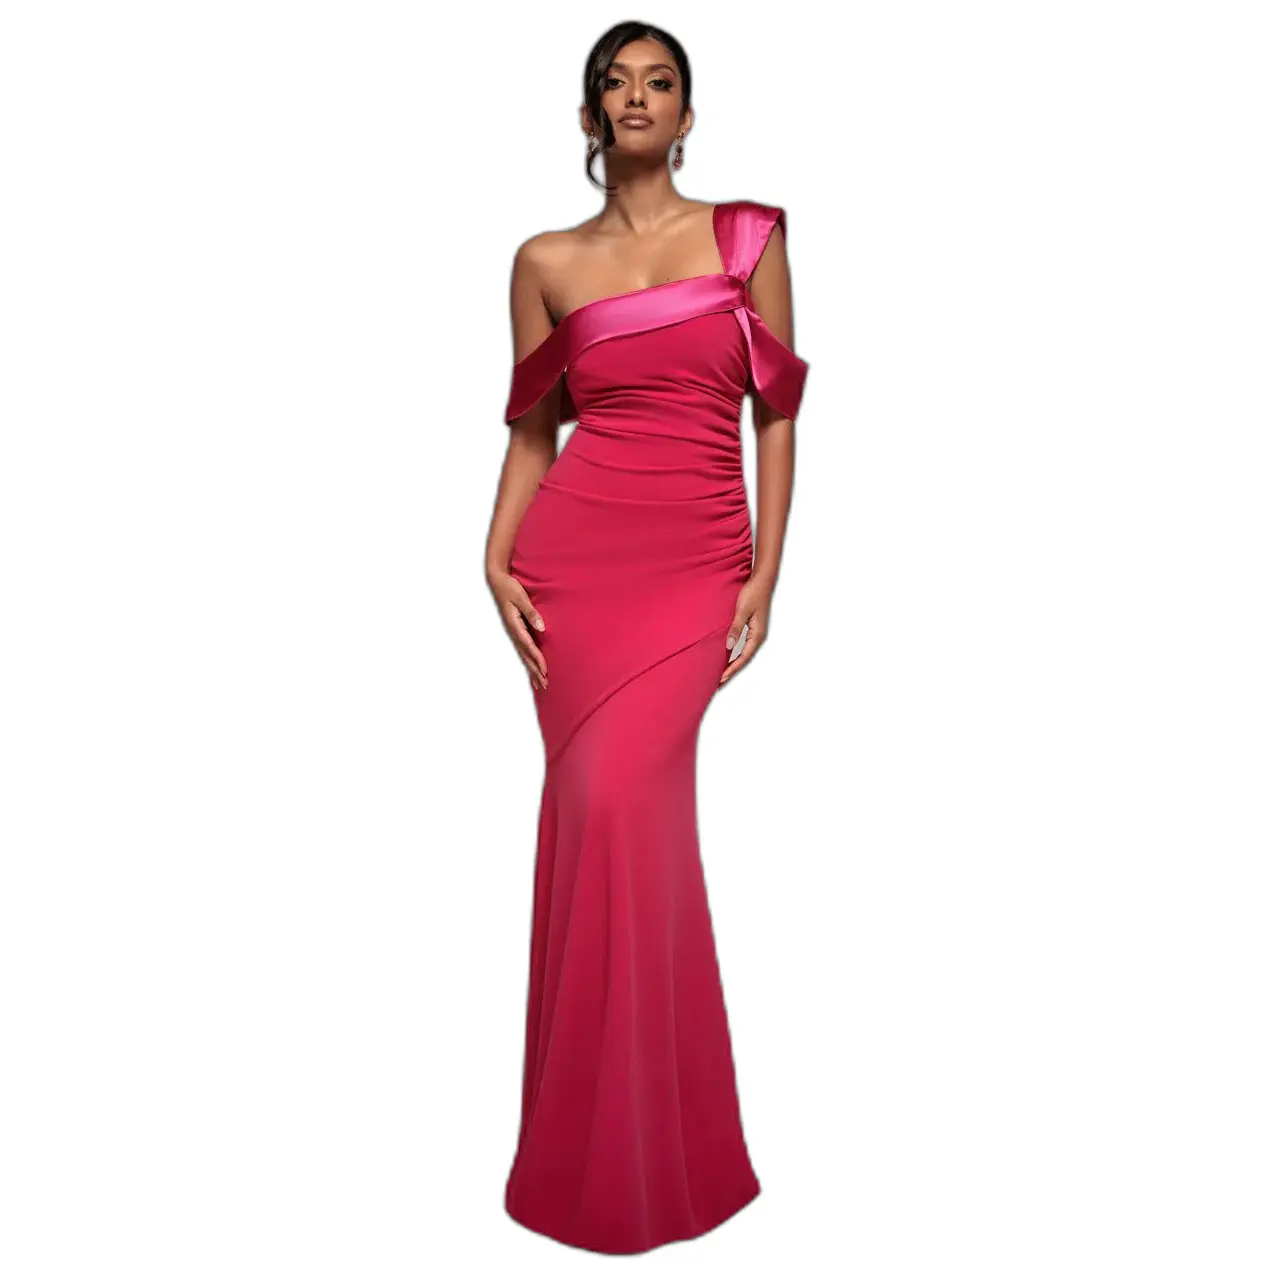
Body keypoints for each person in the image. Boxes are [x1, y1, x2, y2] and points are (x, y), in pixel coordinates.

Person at [483, 20, 808, 1255]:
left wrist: (767, 569)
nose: (636, 98)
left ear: (686, 114)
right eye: (613, 84)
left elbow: (776, 415)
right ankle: (593, 1155)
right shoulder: (544, 261)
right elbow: (533, 428)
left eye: (658, 82)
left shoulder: (748, 237)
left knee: (627, 812)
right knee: (598, 823)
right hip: (572, 568)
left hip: (694, 567)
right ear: (587, 118)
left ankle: (666, 1151)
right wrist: (492, 552)